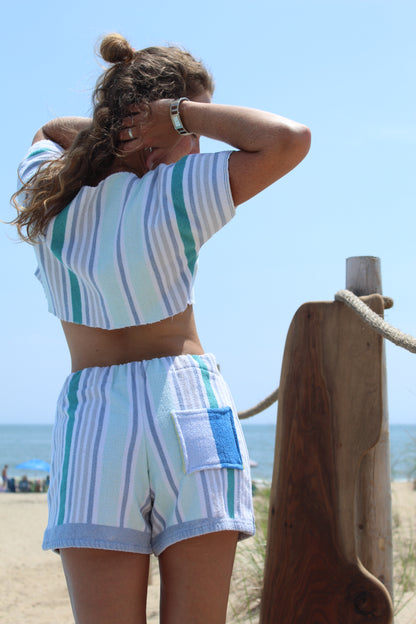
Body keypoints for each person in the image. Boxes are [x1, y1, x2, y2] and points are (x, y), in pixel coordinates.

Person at [11, 33, 310, 624]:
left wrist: (116, 133)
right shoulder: (178, 190)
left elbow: (48, 130)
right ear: (161, 122)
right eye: (192, 123)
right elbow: (289, 139)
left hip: (94, 418)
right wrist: (176, 117)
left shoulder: (49, 195)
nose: (198, 141)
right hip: (190, 403)